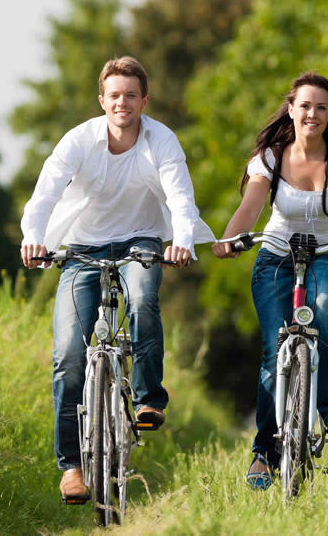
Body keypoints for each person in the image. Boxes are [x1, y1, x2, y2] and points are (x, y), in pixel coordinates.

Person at [20, 56, 215, 504]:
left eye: (131, 95)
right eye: (114, 95)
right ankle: (71, 467)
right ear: (101, 101)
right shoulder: (79, 141)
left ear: (144, 100)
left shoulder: (161, 140)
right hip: (82, 249)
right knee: (69, 353)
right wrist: (33, 238)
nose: (122, 103)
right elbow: (45, 193)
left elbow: (181, 197)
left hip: (140, 242)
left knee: (144, 296)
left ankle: (149, 401)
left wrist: (181, 242)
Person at [212, 71, 328, 490]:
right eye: (305, 105)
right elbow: (252, 205)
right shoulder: (271, 155)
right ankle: (263, 454)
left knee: (324, 308)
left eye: (321, 107)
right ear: (291, 109)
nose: (313, 113)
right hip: (275, 256)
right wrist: (230, 239)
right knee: (276, 346)